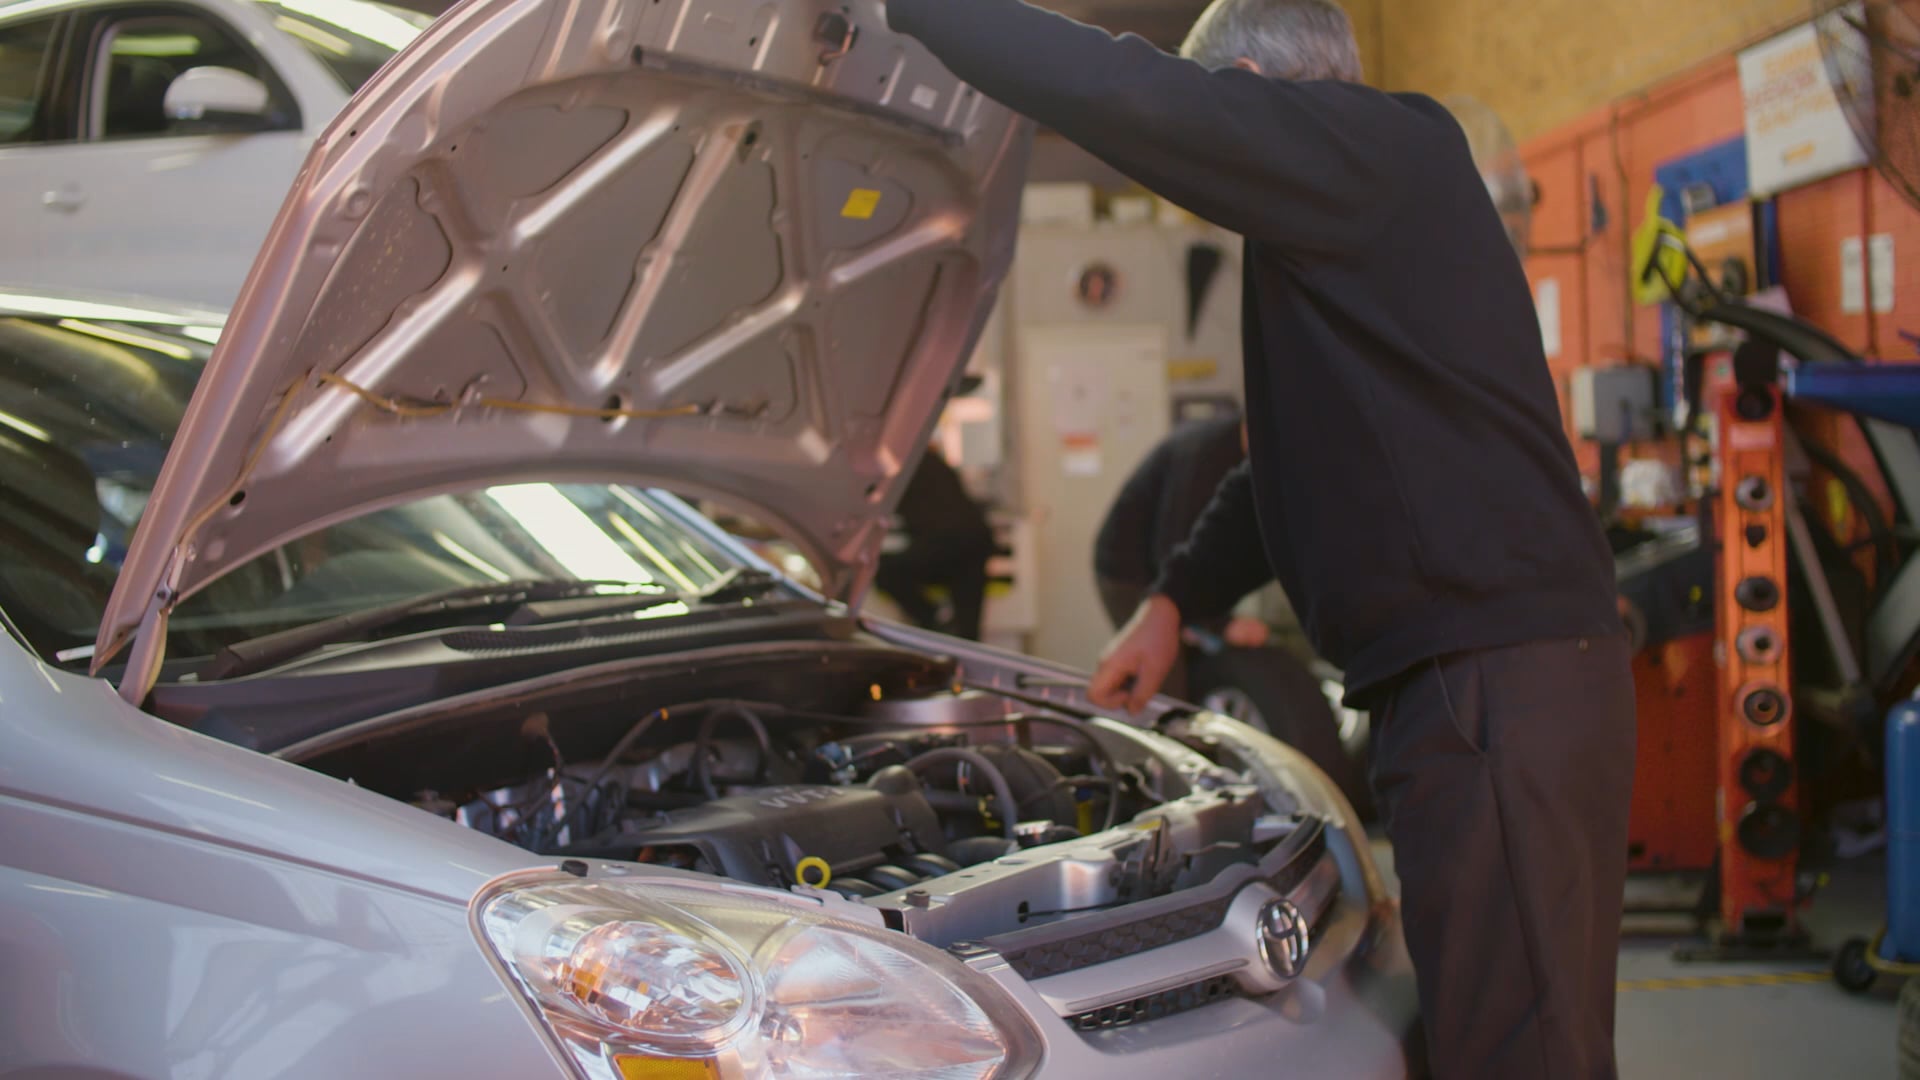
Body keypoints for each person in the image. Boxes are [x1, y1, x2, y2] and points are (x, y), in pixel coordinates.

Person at [884, 2, 1635, 1078]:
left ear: (1248, 90)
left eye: (1223, 116)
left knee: (1523, 1047)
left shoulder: (1387, 148)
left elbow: (1128, 94)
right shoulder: (1348, 229)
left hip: (1492, 687)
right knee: (1487, 1019)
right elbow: (1280, 466)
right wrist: (1174, 601)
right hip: (1477, 686)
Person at [874, 445, 996, 640]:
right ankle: (944, 630)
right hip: (976, 540)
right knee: (969, 631)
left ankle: (933, 620)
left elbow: (875, 505)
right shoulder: (929, 458)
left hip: (945, 542)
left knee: (884, 572)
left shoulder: (895, 467)